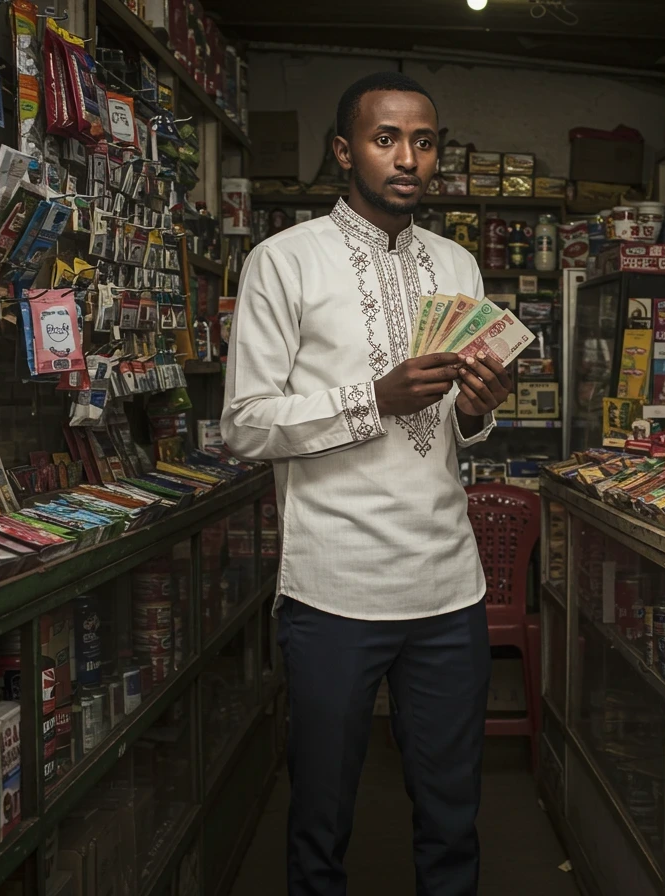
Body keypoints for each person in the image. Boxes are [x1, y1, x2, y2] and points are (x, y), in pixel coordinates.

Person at [221, 71, 513, 896]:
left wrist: (478, 409)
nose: (407, 158)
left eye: (424, 141)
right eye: (386, 139)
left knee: (454, 815)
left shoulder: (457, 263)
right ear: (345, 151)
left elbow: (459, 425)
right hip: (333, 590)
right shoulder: (285, 261)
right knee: (321, 814)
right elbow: (243, 423)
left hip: (447, 587)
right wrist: (370, 400)